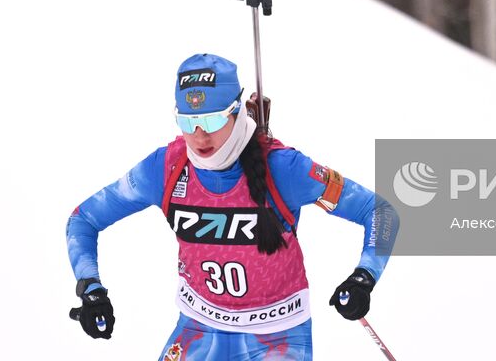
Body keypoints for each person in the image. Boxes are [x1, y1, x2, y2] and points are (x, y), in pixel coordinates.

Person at [65, 53, 399, 360]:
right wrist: (91, 288)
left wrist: (363, 277)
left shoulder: (284, 167)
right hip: (198, 328)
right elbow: (83, 219)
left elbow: (380, 211)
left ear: (236, 113)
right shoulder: (165, 168)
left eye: (210, 121)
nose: (199, 136)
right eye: (188, 122)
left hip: (276, 335)